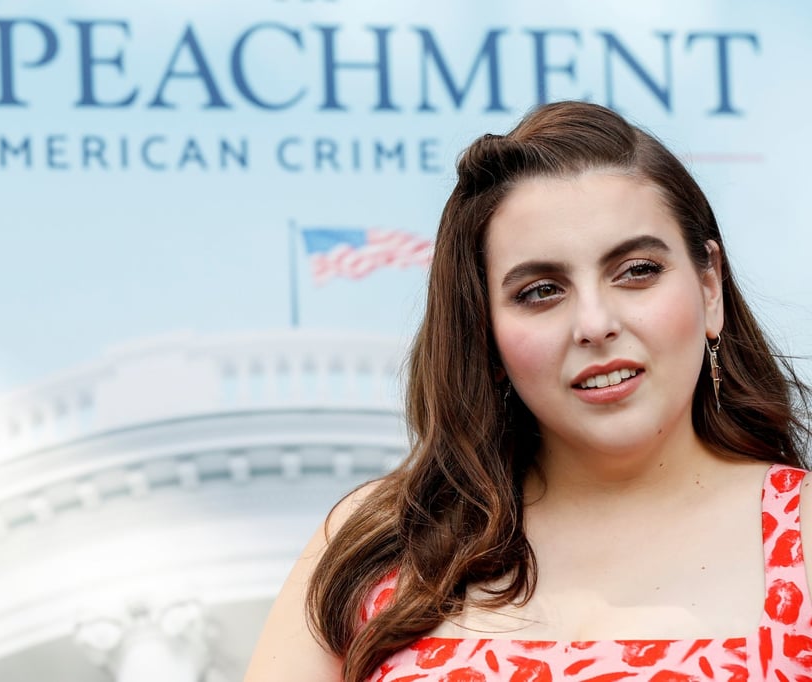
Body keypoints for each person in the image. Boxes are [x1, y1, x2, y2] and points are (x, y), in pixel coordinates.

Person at [244, 101, 812, 682]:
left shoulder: (803, 534)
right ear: (485, 335)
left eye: (637, 270)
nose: (594, 323)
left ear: (708, 286)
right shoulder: (382, 540)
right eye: (541, 291)